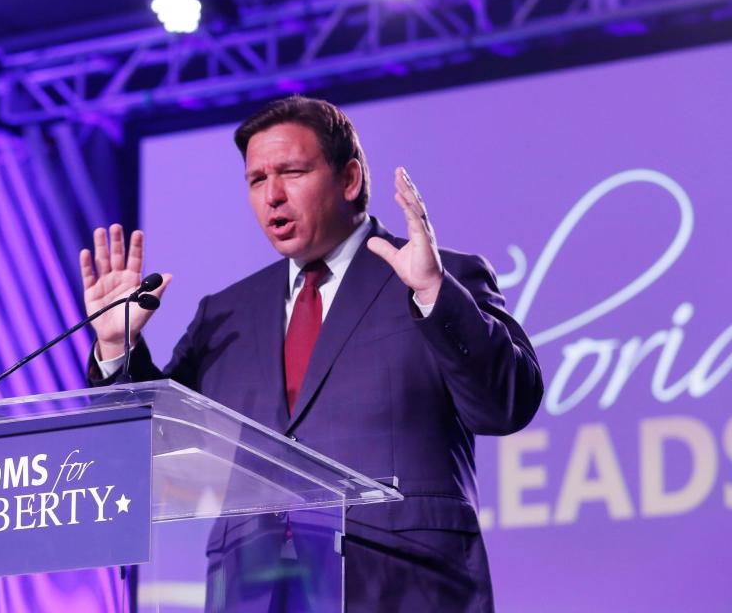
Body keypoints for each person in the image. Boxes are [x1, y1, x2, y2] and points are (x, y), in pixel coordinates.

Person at [80, 96, 542, 612]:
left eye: (292, 172)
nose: (272, 196)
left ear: (348, 179)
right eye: (257, 180)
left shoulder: (436, 277)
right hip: (254, 589)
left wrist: (434, 293)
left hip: (403, 586)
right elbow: (154, 448)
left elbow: (505, 406)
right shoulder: (227, 312)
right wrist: (117, 347)